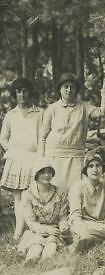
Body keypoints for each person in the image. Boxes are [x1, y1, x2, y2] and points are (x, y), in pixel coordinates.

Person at [39, 72, 105, 194]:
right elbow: (43, 136)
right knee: (55, 192)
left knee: (75, 191)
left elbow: (103, 112)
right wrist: (41, 160)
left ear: (76, 90)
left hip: (75, 158)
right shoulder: (52, 109)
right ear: (59, 89)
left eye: (72, 87)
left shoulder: (84, 107)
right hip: (54, 157)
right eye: (65, 86)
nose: (69, 89)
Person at [0, 78, 44, 241]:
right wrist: (12, 151)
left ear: (30, 92)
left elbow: (43, 136)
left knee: (34, 196)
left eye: (25, 91)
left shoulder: (40, 113)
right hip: (17, 159)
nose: (22, 94)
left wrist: (41, 155)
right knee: (18, 198)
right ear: (15, 94)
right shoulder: (11, 115)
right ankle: (18, 232)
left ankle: (34, 230)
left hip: (35, 158)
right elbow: (3, 138)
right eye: (19, 91)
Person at [17, 159, 69, 266]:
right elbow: (30, 222)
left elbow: (62, 217)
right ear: (36, 175)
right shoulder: (27, 195)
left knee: (52, 244)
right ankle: (31, 259)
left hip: (55, 230)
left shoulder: (60, 193)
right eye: (43, 172)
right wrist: (46, 229)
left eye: (49, 172)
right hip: (36, 230)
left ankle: (46, 260)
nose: (46, 175)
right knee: (36, 245)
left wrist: (63, 226)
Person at [68, 152, 105, 253]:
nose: (95, 169)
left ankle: (90, 244)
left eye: (98, 166)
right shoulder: (78, 187)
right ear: (85, 170)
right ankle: (84, 244)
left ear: (102, 168)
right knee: (84, 234)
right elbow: (75, 216)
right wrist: (83, 231)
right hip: (83, 224)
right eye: (91, 166)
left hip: (102, 226)